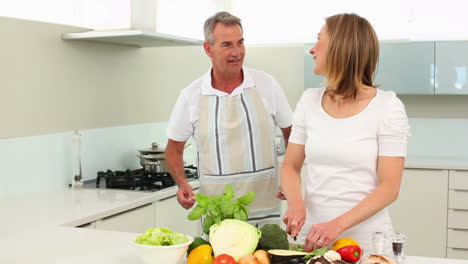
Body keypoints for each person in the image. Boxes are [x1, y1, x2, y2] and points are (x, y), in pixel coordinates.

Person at [280, 13, 411, 254]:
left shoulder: (388, 107)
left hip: (366, 243)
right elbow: (290, 166)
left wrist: (336, 225)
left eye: (319, 39)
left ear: (340, 47)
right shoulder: (309, 100)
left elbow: (389, 187)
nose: (312, 49)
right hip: (312, 239)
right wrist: (296, 203)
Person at [165, 11, 293, 227]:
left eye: (240, 43)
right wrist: (182, 184)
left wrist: (291, 179)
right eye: (227, 45)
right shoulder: (191, 95)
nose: (237, 52)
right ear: (208, 49)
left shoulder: (266, 84)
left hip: (266, 212)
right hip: (217, 215)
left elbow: (293, 135)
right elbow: (173, 149)